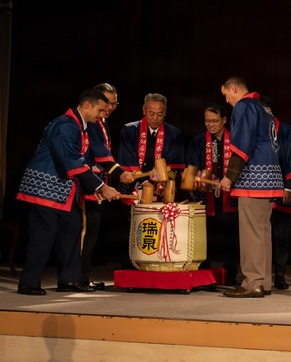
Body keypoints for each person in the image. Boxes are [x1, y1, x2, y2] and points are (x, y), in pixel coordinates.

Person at [16, 89, 121, 295]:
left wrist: (99, 186)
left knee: (72, 228)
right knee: (43, 234)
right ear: (87, 105)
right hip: (44, 187)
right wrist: (100, 186)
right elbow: (71, 160)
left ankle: (68, 279)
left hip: (63, 190)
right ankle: (28, 282)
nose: (101, 114)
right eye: (99, 109)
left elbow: (83, 161)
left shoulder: (80, 126)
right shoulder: (64, 125)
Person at [219, 76, 285, 298]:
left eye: (227, 95)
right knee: (262, 232)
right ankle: (263, 281)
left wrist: (230, 176)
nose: (227, 101)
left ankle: (252, 282)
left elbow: (241, 142)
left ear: (234, 89)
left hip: (254, 178)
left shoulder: (245, 105)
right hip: (271, 177)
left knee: (251, 233)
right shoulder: (264, 108)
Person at [80, 82, 133, 289]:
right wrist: (120, 173)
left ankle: (83, 275)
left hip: (99, 185)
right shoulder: (92, 121)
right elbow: (99, 153)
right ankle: (78, 276)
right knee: (85, 231)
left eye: (114, 103)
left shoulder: (101, 121)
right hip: (88, 185)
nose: (110, 107)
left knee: (92, 231)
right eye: (107, 103)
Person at [184, 104, 240, 286]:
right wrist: (194, 180)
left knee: (231, 238)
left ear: (224, 120)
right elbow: (192, 166)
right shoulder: (199, 141)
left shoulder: (236, 140)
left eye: (214, 121)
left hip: (229, 196)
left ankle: (231, 275)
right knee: (204, 237)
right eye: (207, 121)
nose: (210, 124)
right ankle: (204, 275)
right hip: (205, 196)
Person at [261, 96, 291, 290]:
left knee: (280, 235)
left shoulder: (286, 130)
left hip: (282, 190)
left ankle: (279, 275)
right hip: (260, 189)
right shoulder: (254, 131)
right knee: (259, 235)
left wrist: (289, 187)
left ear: (270, 111)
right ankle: (260, 276)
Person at [118, 92, 185, 192]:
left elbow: (174, 164)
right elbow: (127, 160)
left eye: (159, 114)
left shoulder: (174, 133)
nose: (155, 118)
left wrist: (165, 183)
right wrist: (144, 182)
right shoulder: (129, 130)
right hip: (134, 185)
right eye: (151, 113)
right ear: (144, 110)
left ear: (165, 112)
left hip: (162, 186)